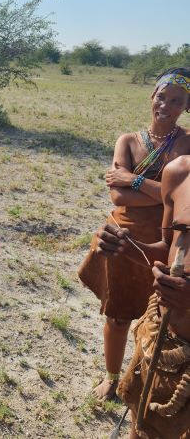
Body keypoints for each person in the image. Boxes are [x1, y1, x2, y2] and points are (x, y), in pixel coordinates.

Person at [77, 67, 190, 400]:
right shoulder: (127, 140)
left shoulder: (187, 148)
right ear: (151, 97)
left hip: (168, 244)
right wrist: (157, 189)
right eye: (161, 97)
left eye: (176, 101)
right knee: (118, 315)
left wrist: (133, 179)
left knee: (161, 320)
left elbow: (180, 194)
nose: (165, 106)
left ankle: (147, 383)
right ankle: (112, 378)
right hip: (122, 239)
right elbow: (117, 196)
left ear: (186, 106)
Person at [96, 154, 190, 439]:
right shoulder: (179, 172)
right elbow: (167, 247)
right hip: (161, 340)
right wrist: (128, 246)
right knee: (141, 425)